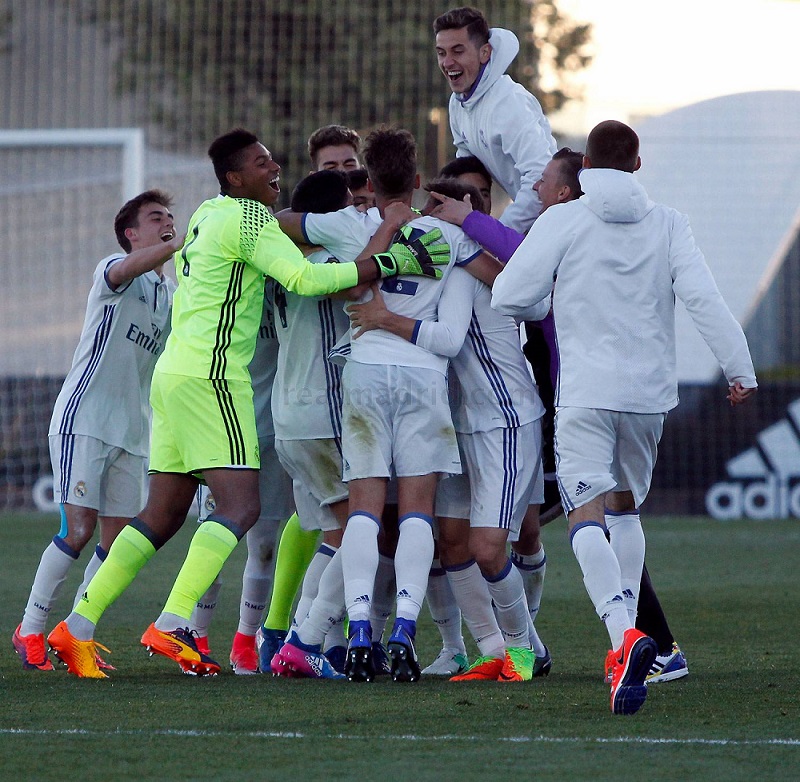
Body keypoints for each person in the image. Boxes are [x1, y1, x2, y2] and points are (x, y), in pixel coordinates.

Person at [45, 128, 451, 678]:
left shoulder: (207, 213)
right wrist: (385, 261)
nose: (274, 167)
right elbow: (305, 278)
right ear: (236, 178)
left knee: (161, 515)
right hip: (213, 378)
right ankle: (173, 622)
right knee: (241, 508)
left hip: (173, 376)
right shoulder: (249, 217)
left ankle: (78, 625)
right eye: (261, 163)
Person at [491, 120, 757, 714]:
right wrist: (739, 368)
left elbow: (508, 295)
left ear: (585, 167)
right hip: (648, 396)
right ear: (638, 165)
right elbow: (703, 298)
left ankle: (623, 638)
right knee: (626, 509)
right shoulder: (669, 223)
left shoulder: (564, 219)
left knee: (584, 515)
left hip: (586, 393)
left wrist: (548, 299)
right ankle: (645, 648)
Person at [434, 146, 691, 684]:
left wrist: (466, 225)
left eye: (544, 182)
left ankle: (624, 642)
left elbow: (519, 272)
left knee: (588, 518)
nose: (534, 191)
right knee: (579, 520)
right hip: (567, 399)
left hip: (568, 402)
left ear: (567, 191)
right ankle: (543, 646)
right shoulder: (593, 228)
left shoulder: (566, 231)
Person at [275, 127, 499, 683]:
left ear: (368, 182)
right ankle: (402, 629)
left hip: (366, 372)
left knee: (364, 511)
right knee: (418, 511)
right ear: (419, 180)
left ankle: (356, 632)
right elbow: (496, 284)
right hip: (424, 378)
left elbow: (286, 226)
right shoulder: (446, 234)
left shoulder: (353, 224)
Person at [347, 177, 552, 682]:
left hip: (503, 419)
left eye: (439, 213)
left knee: (488, 546)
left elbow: (449, 339)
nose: (428, 223)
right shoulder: (449, 264)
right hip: (460, 422)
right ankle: (492, 650)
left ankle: (524, 653)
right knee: (454, 542)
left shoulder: (470, 272)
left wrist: (382, 318)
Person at [11, 191, 180, 672]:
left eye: (170, 216)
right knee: (78, 528)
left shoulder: (171, 295)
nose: (167, 222)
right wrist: (174, 245)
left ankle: (75, 632)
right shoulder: (114, 269)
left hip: (133, 430)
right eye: (156, 217)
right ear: (132, 234)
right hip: (83, 419)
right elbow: (123, 271)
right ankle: (30, 628)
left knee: (117, 539)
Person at [433, 6, 557, 233]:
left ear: (485, 53)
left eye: (458, 51)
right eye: (441, 53)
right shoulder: (457, 103)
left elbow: (541, 177)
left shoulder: (509, 102)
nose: (447, 62)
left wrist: (498, 233)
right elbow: (468, 174)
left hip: (556, 223)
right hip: (532, 223)